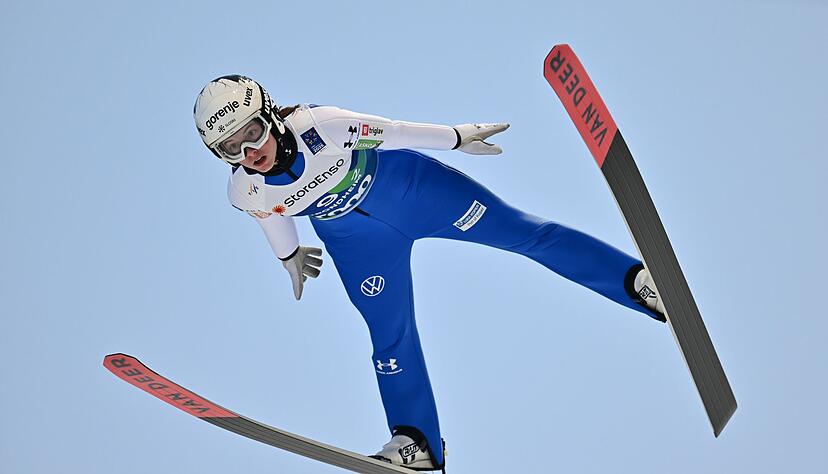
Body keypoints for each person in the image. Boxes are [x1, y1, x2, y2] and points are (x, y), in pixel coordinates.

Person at [193, 75, 666, 471]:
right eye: (230, 147)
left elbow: (395, 131)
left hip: (413, 191)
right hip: (358, 244)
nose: (248, 151)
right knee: (389, 335)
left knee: (525, 234)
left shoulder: (320, 126)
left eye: (251, 132)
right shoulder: (244, 190)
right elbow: (272, 212)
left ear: (270, 114)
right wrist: (288, 256)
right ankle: (417, 444)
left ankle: (636, 282)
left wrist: (455, 137)